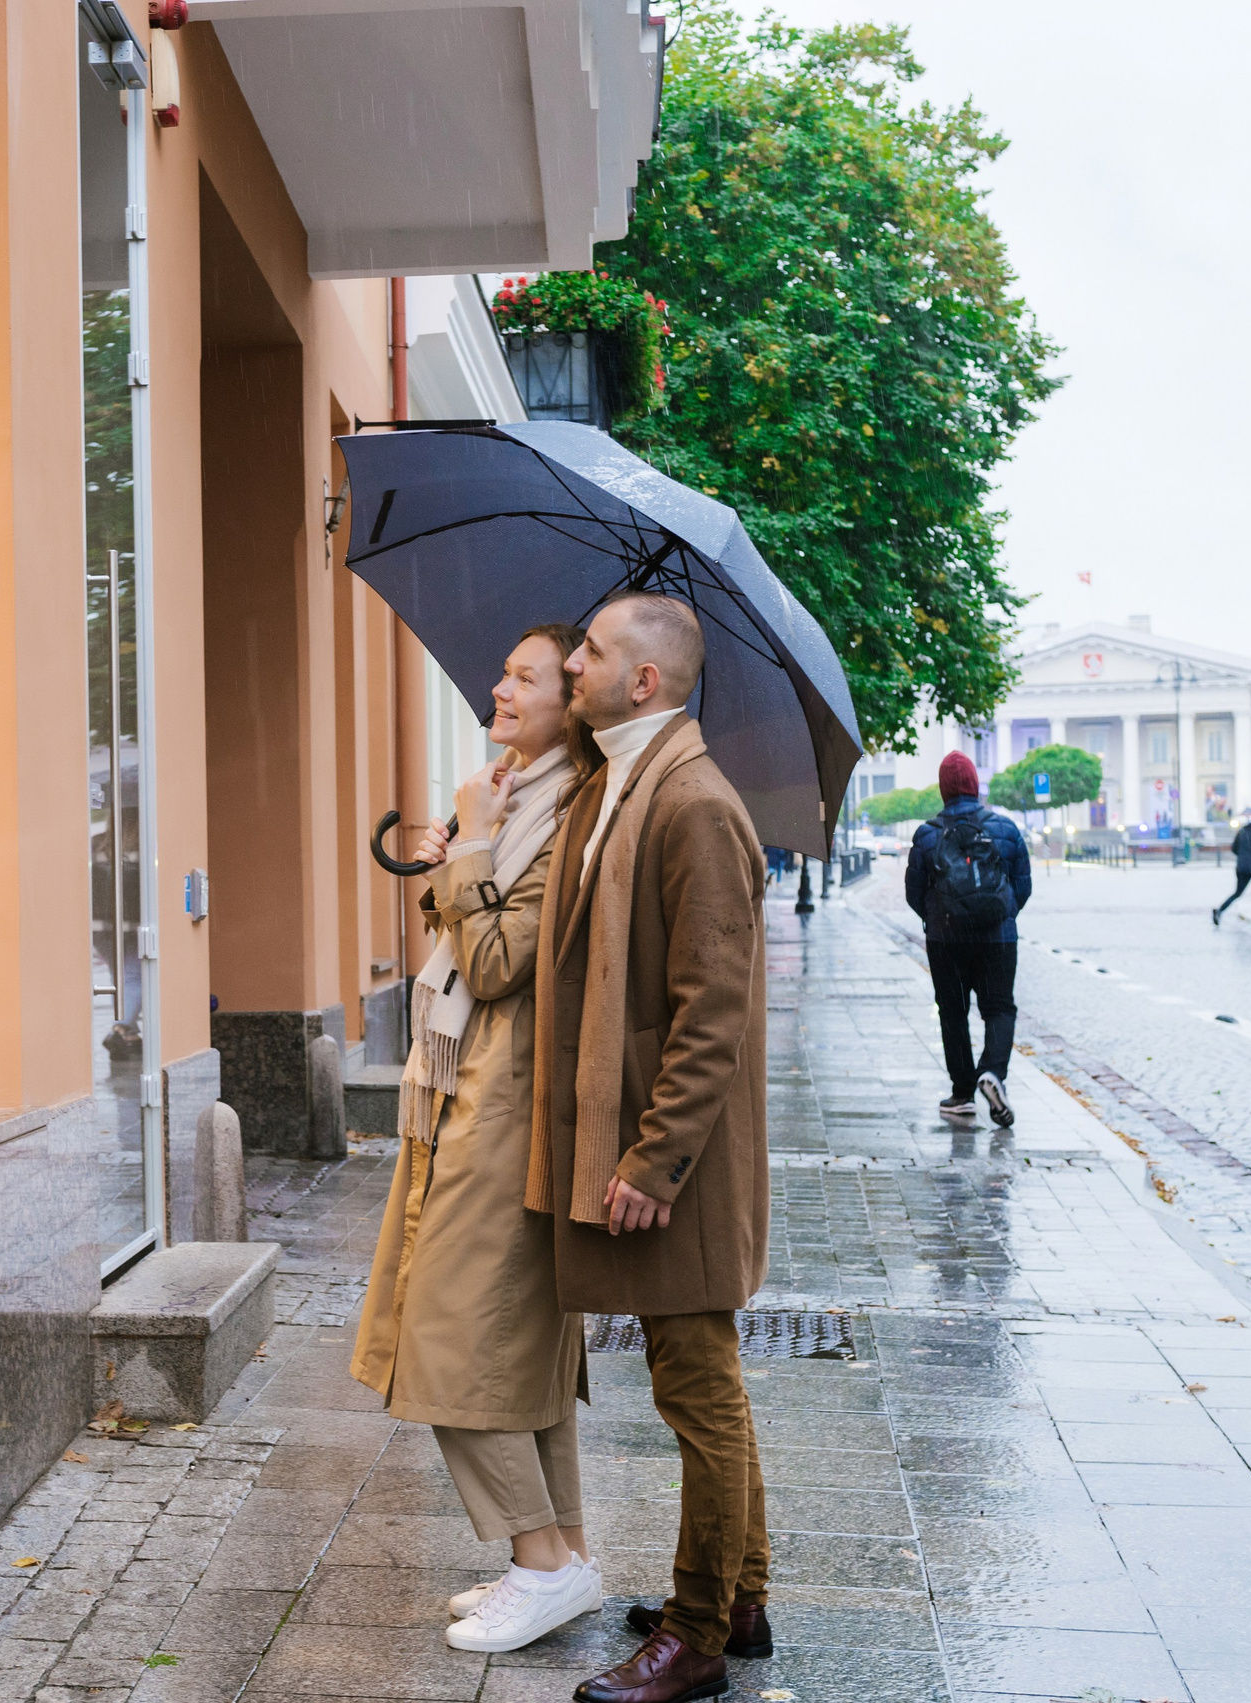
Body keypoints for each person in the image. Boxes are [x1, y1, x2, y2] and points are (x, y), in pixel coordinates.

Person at [530, 593, 773, 1703]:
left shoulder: (692, 801)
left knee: (698, 1388)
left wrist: (651, 1157)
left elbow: (711, 1009)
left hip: (679, 1163)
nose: (568, 663)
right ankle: (744, 1593)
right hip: (645, 1143)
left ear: (645, 681)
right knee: (702, 1381)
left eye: (588, 650)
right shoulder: (617, 781)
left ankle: (698, 1633)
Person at [351, 624, 606, 1655]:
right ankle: (563, 1557)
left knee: (455, 1337)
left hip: (508, 1101)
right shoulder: (520, 793)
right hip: (468, 1091)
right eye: (503, 670)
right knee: (511, 1340)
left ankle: (541, 1561)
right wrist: (459, 851)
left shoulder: (572, 813)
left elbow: (498, 961)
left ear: (572, 701)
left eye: (526, 676)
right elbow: (475, 930)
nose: (499, 687)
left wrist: (468, 845)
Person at [904, 752, 1032, 1127]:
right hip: (998, 939)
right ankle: (992, 1072)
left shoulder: (927, 835)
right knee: (999, 1008)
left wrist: (939, 919)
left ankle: (962, 1093)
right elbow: (1022, 886)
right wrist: (1000, 917)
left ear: (943, 790)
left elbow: (914, 893)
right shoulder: (1005, 830)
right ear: (976, 786)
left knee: (954, 1013)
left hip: (947, 941)